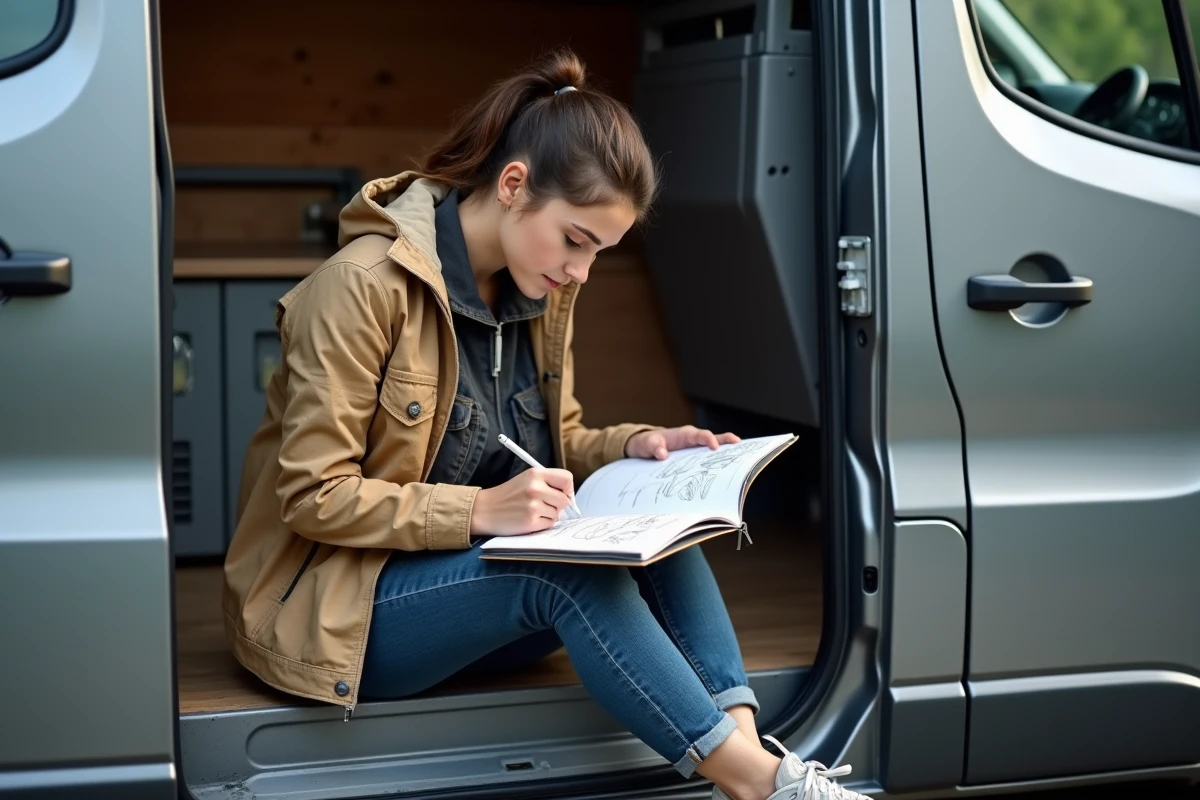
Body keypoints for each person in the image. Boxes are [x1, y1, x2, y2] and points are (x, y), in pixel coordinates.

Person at [222, 47, 866, 800]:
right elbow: (311, 495)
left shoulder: (538, 292)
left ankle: (756, 767)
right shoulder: (361, 288)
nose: (582, 272)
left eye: (600, 253)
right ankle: (760, 784)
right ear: (514, 184)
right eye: (576, 241)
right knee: (563, 574)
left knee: (664, 530)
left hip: (465, 596)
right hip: (342, 610)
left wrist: (637, 447)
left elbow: (550, 445)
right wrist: (481, 512)